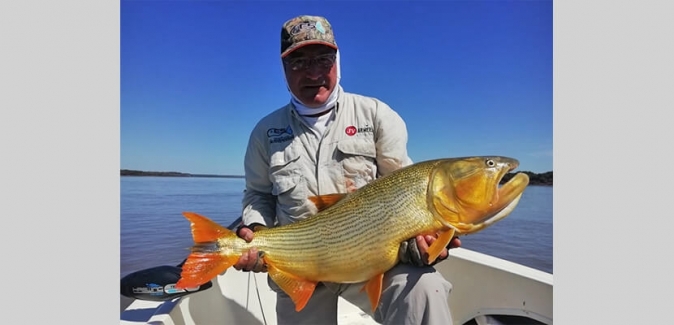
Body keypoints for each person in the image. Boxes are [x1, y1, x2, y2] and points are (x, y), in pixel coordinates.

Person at [234, 15, 461, 325]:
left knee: (425, 288)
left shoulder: (378, 115)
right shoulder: (265, 132)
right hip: (299, 265)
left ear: (337, 61)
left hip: (371, 259)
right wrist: (257, 231)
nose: (313, 72)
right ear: (283, 69)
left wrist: (421, 241)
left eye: (323, 59)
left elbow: (407, 193)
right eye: (299, 62)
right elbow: (258, 194)